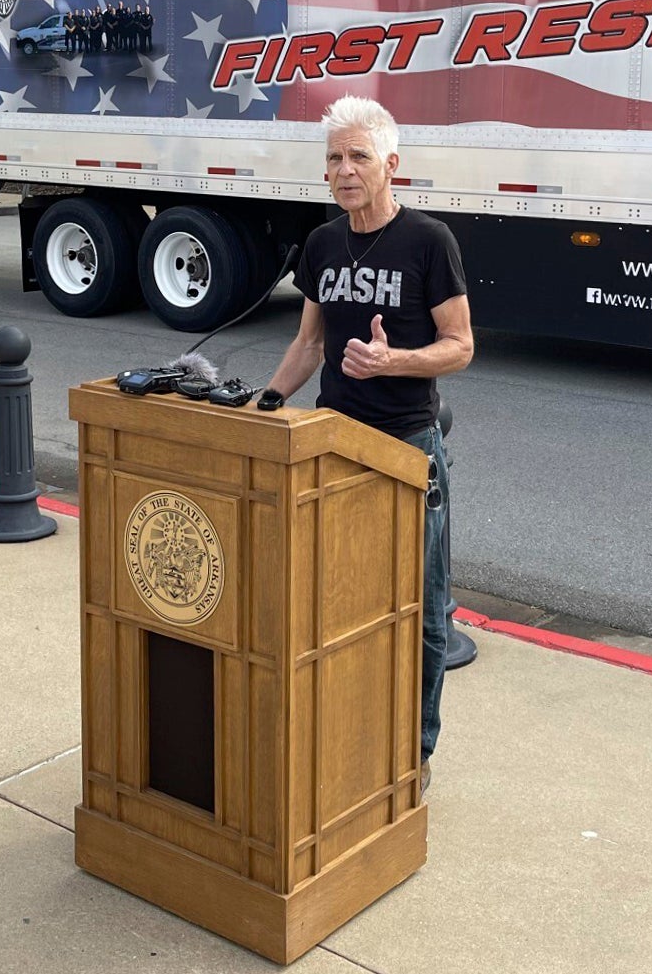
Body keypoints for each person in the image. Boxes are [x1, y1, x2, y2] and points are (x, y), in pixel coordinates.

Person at [262, 96, 474, 793]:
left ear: (391, 165)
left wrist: (394, 361)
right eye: (334, 158)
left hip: (406, 450)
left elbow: (459, 346)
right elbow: (309, 343)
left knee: (424, 612)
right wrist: (264, 403)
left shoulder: (428, 241)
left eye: (359, 156)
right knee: (339, 602)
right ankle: (349, 730)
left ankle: (415, 751)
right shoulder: (323, 244)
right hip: (335, 445)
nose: (345, 170)